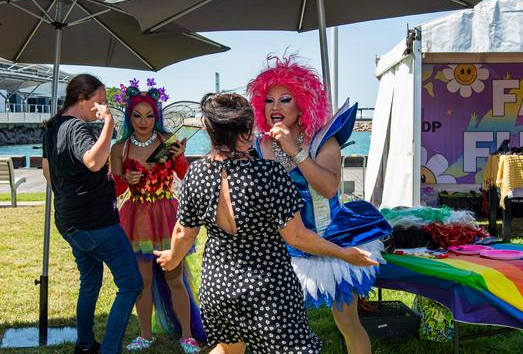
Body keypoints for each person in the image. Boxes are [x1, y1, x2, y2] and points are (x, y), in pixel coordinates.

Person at [153, 93, 379, 354]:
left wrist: (172, 257)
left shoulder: (196, 173)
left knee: (229, 348)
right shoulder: (269, 174)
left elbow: (184, 231)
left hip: (218, 286)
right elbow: (296, 237)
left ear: (208, 129)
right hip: (267, 290)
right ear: (248, 132)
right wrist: (343, 253)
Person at [247, 56, 392, 354]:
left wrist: (295, 151)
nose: (276, 107)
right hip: (283, 246)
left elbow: (327, 187)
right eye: (269, 100)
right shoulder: (257, 147)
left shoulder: (323, 141)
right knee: (275, 326)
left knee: (347, 320)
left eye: (285, 100)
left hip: (333, 239)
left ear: (302, 104)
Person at [42, 74, 143, 354]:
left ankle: (85, 345)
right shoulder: (77, 128)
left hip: (69, 222)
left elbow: (48, 172)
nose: (103, 107)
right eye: (99, 101)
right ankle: (109, 350)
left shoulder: (52, 127)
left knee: (90, 281)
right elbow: (95, 161)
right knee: (131, 284)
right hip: (96, 224)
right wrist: (109, 123)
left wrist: (75, 193)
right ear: (82, 100)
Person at [109, 79, 204, 353]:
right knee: (142, 283)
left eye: (150, 115)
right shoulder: (120, 148)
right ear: (129, 116)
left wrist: (182, 157)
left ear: (157, 115)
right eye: (137, 116)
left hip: (166, 215)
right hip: (136, 217)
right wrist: (126, 178)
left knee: (175, 278)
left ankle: (187, 334)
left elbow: (184, 175)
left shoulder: (169, 141)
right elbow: (115, 190)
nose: (144, 121)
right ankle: (146, 334)